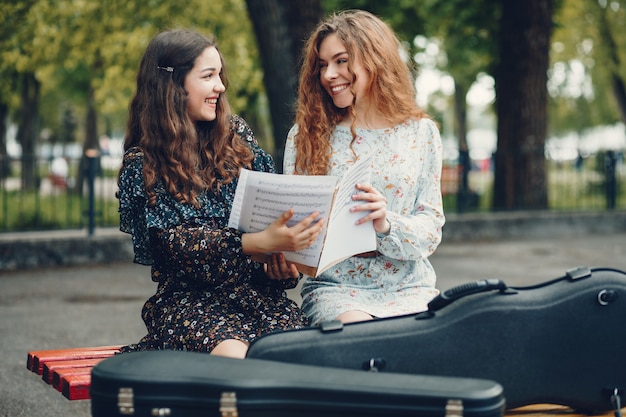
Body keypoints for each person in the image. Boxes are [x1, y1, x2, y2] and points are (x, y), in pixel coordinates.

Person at [116, 29, 323, 359]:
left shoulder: (235, 140)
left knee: (303, 357)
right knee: (236, 359)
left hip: (257, 302)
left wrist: (280, 263)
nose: (220, 86)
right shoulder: (145, 163)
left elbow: (266, 220)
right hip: (190, 305)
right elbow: (178, 247)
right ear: (173, 84)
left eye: (220, 75)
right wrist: (257, 244)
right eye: (208, 75)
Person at [284, 10, 445, 326]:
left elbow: (430, 229)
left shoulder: (421, 132)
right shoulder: (305, 135)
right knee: (363, 336)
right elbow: (295, 231)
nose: (329, 74)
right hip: (337, 289)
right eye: (322, 65)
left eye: (341, 61)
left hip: (411, 288)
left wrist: (385, 223)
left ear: (375, 59)